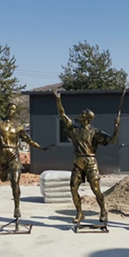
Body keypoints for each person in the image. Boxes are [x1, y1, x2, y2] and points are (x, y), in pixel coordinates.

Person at [0, 83, 53, 219]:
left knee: (15, 182)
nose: (11, 111)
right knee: (3, 179)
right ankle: (6, 175)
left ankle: (17, 208)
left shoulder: (19, 127)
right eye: (10, 109)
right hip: (1, 155)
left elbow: (29, 141)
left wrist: (42, 148)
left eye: (14, 109)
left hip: (13, 155)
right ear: (6, 110)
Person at [54, 91, 120, 225]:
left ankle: (103, 211)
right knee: (73, 188)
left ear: (87, 118)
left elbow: (112, 140)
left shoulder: (95, 132)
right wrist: (58, 100)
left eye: (83, 114)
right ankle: (80, 213)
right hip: (78, 163)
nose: (80, 114)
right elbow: (62, 115)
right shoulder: (74, 129)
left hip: (90, 163)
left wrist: (116, 128)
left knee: (96, 190)